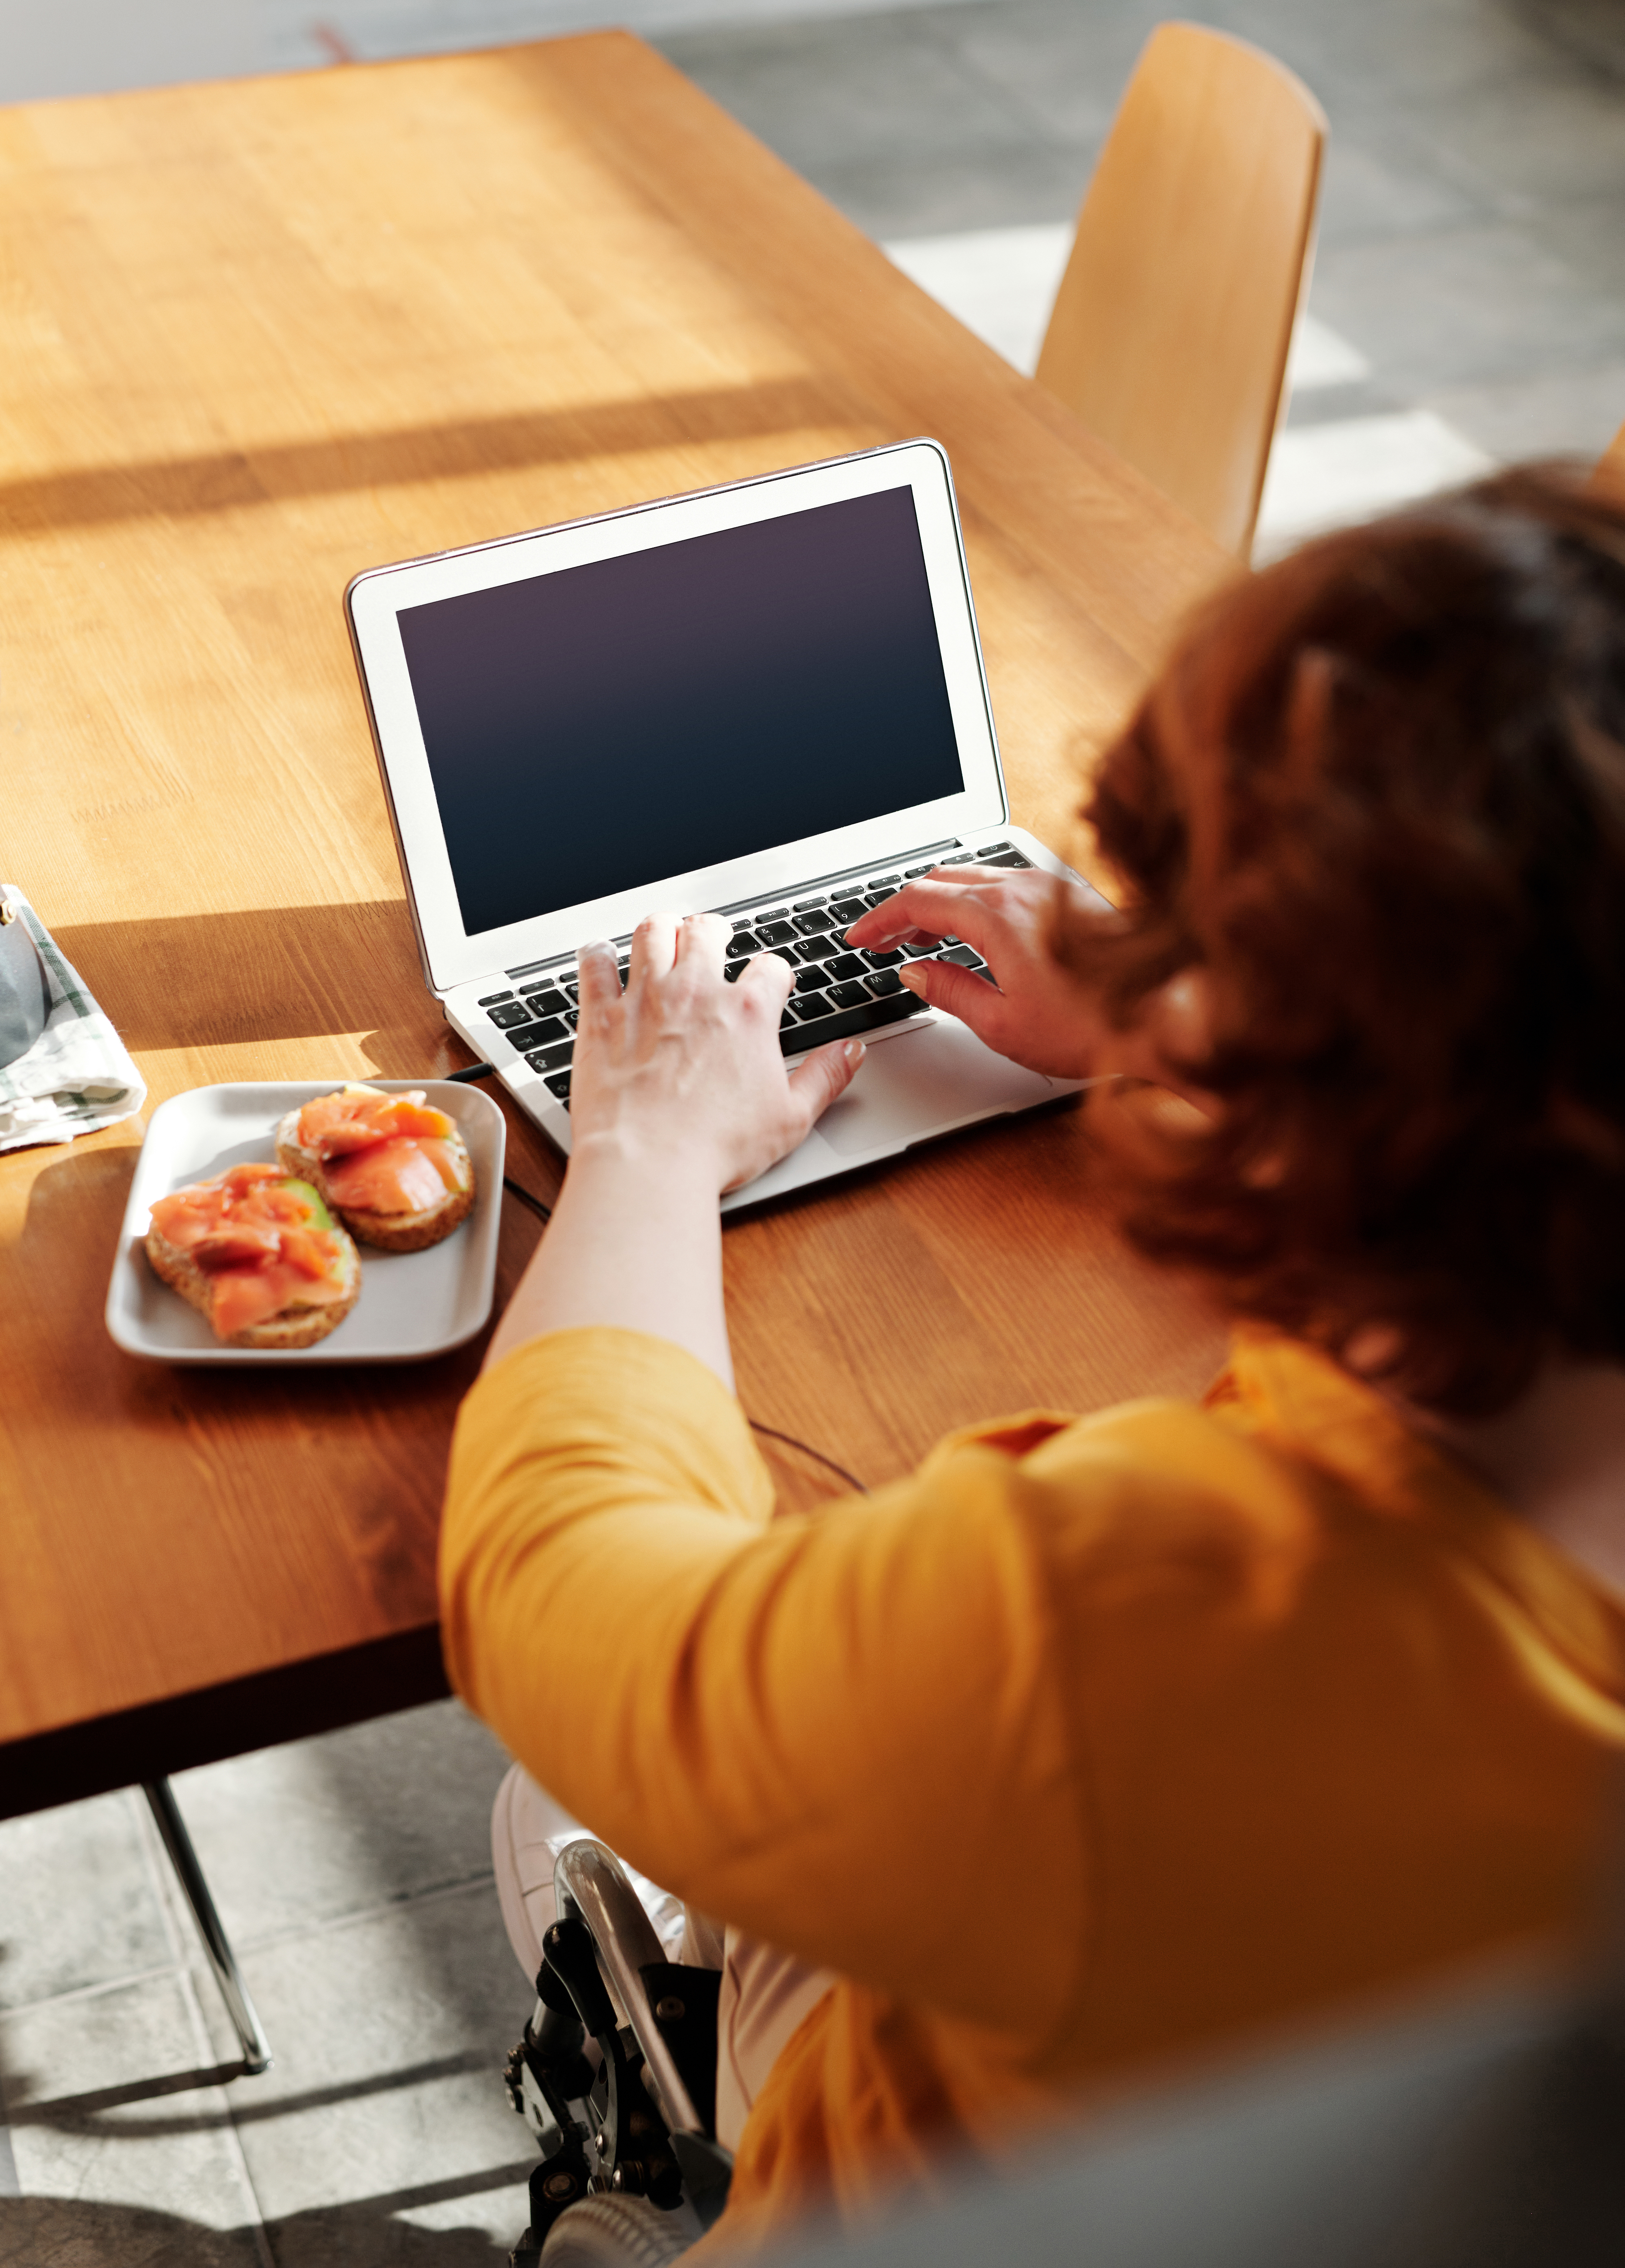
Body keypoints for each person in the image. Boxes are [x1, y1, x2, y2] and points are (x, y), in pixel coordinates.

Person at [439, 468, 1625, 2254]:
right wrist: (1187, 1019)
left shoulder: (1135, 1619)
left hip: (965, 2181)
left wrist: (652, 1149)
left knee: (561, 1790)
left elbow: (546, 1577)